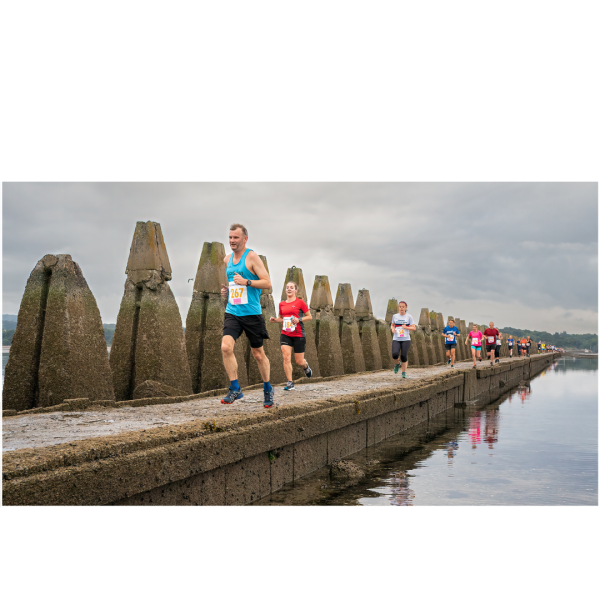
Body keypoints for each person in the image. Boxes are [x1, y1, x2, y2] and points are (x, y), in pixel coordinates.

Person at [220, 223, 275, 408]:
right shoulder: (227, 259)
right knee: (226, 347)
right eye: (230, 237)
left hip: (252, 314)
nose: (232, 241)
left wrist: (247, 281)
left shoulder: (251, 256)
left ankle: (267, 388)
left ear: (245, 239)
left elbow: (267, 283)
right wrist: (227, 291)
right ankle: (235, 388)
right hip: (233, 312)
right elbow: (234, 284)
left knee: (258, 355)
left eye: (236, 237)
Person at [270, 280, 313, 391]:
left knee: (299, 361)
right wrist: (275, 320)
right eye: (287, 287)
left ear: (295, 290)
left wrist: (299, 319)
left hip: (298, 334)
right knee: (286, 358)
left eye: (291, 287)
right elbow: (281, 318)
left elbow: (309, 317)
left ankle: (305, 366)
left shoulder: (300, 303)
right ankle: (290, 382)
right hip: (285, 334)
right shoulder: (282, 304)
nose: (289, 289)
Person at [390, 301, 416, 378]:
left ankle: (404, 373)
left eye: (403, 307)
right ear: (398, 307)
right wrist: (392, 329)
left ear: (405, 308)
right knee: (394, 354)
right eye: (400, 306)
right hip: (396, 338)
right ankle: (397, 364)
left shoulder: (409, 317)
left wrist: (406, 327)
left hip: (406, 339)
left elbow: (414, 328)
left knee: (403, 356)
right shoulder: (395, 316)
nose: (401, 308)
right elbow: (392, 325)